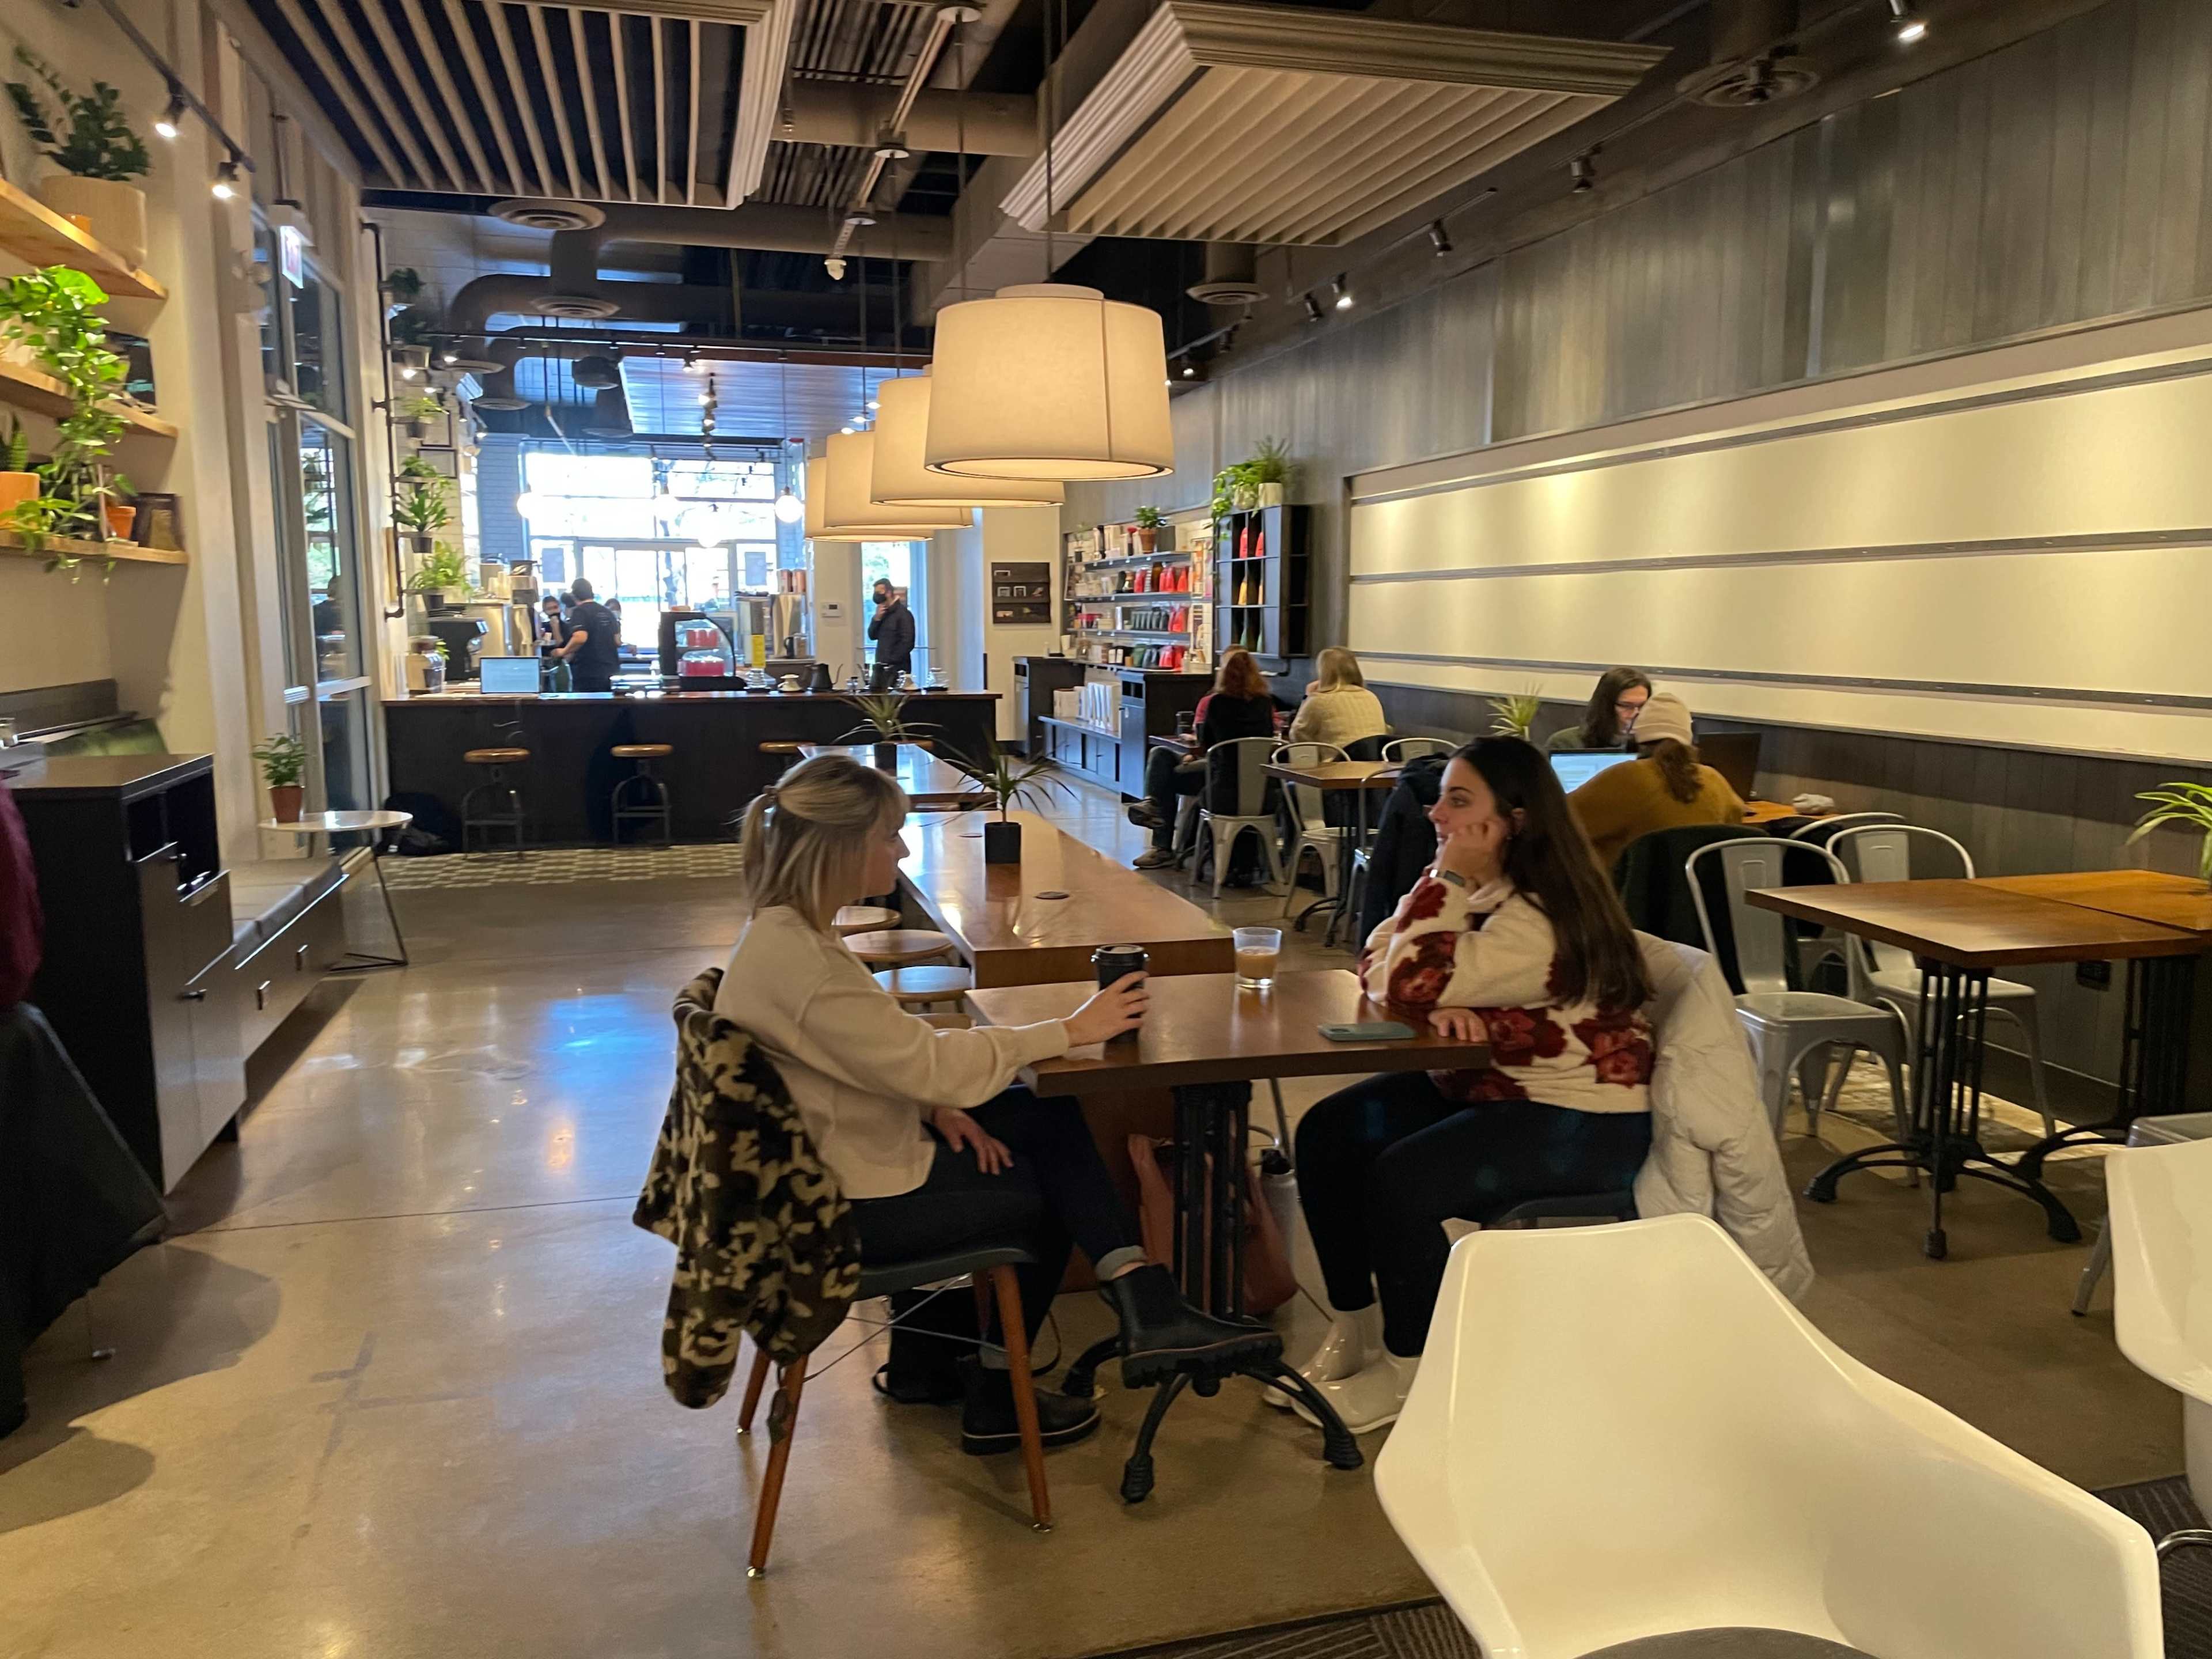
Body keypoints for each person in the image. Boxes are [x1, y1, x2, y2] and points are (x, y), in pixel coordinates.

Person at [715, 755, 1275, 1453]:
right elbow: (933, 1063)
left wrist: (934, 1105)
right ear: (842, 848)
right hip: (841, 1210)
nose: (902, 850)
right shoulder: (805, 963)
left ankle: (1129, 1296)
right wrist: (1071, 1029)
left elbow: (871, 1055)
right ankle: (1004, 1389)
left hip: (821, 1170)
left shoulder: (785, 937)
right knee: (1041, 1186)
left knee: (1038, 1113)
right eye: (889, 836)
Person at [1287, 737, 1656, 1433]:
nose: (1436, 815)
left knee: (1404, 1182)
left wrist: (1443, 897)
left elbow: (1403, 978)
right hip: (1491, 1083)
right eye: (1441, 799)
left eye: (1458, 801)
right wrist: (1437, 983)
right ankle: (1355, 1327)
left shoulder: (1540, 912)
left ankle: (1412, 1371)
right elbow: (1375, 957)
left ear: (1514, 821)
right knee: (1329, 1133)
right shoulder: (1484, 887)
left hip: (1580, 1114)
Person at [1127, 647, 1278, 870]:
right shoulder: (1265, 703)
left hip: (1220, 783)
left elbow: (1206, 744)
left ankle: (1159, 833)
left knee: (1162, 760)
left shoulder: (1217, 703)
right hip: (1259, 785)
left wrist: (1191, 753)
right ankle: (1154, 806)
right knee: (1164, 761)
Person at [1566, 690, 1745, 869]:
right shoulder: (1713, 778)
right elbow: (1736, 819)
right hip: (1698, 885)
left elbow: (1562, 818)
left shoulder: (1627, 776)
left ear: (1639, 738)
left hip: (1630, 885)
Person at [1287, 647, 1388, 751]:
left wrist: (1307, 698)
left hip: (1339, 760)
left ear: (1323, 672)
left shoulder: (1320, 700)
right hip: (1376, 759)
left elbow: (1297, 735)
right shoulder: (1371, 697)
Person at [1546, 666, 1653, 752]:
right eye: (1626, 706)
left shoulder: (1651, 745)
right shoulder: (1566, 743)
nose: (1636, 713)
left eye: (1642, 706)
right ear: (1606, 706)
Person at [551, 577, 620, 693]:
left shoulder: (580, 612)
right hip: (611, 670)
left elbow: (580, 638)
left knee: (587, 704)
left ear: (574, 596)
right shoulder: (607, 612)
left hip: (589, 672)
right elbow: (617, 641)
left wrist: (563, 651)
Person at [868, 578, 915, 692]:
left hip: (898, 669)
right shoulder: (882, 614)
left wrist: (890, 660)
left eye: (879, 592)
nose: (877, 595)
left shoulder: (904, 614)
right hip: (881, 669)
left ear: (889, 593)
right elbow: (872, 636)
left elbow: (908, 642)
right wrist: (876, 619)